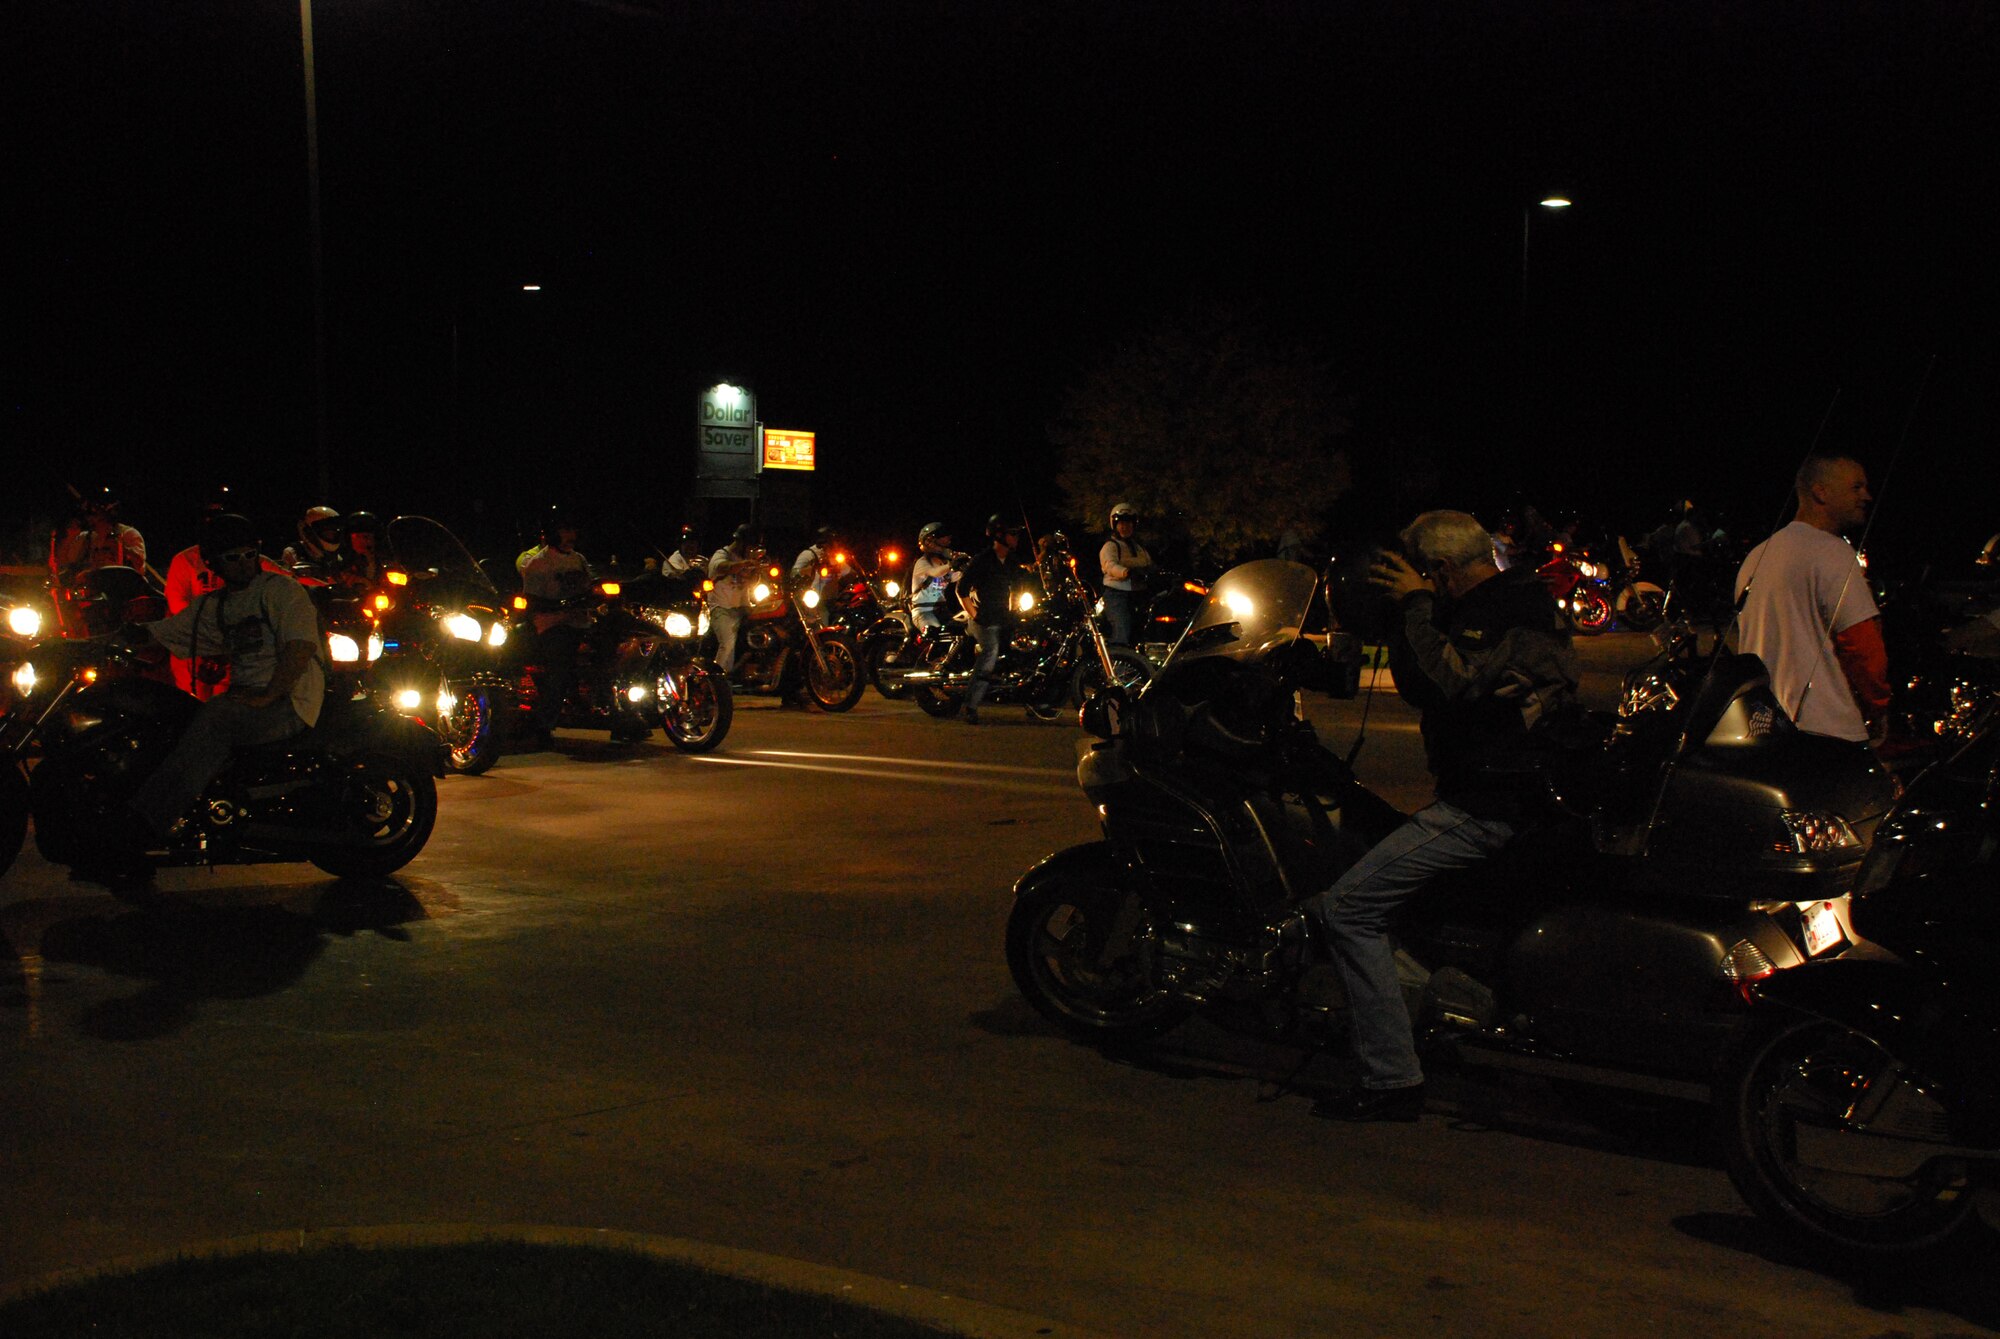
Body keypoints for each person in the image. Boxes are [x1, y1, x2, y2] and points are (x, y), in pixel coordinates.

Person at [1308, 510, 1578, 1121]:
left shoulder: (1490, 612)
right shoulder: (1524, 599)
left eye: (1419, 573)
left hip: (1487, 803)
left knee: (1348, 908)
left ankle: (1390, 1078)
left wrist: (1414, 606)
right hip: (1519, 795)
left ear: (1442, 570)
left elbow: (1452, 679)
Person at [95, 514, 325, 883]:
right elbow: (168, 631)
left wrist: (269, 695)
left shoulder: (280, 591)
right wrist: (110, 639)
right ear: (214, 563)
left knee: (216, 718)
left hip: (291, 701)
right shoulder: (215, 605)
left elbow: (300, 647)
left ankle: (141, 828)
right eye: (233, 557)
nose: (244, 563)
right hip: (246, 699)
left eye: (250, 554)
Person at [1733, 455, 1890, 743]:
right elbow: (1861, 644)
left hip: (1763, 723)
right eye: (1856, 487)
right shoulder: (1831, 552)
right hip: (1826, 729)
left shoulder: (1756, 556)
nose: (1866, 496)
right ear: (1821, 492)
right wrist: (1879, 707)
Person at [163, 500, 288, 698]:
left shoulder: (248, 558)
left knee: (230, 698)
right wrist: (208, 630)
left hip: (234, 645)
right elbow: (177, 603)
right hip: (196, 645)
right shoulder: (185, 560)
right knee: (192, 700)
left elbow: (284, 579)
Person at [516, 507, 595, 748]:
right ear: (553, 533)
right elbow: (531, 602)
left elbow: (589, 587)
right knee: (560, 668)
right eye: (565, 530)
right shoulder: (538, 564)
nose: (570, 535)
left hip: (579, 621)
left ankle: (621, 712)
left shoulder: (578, 559)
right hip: (552, 625)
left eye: (572, 530)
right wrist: (562, 608)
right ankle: (544, 725)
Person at [958, 515, 1025, 725]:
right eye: (1013, 533)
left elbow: (1019, 585)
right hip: (983, 619)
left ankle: (1031, 699)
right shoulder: (983, 560)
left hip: (1003, 616)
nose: (1016, 538)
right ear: (999, 535)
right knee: (991, 651)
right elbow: (961, 589)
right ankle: (971, 705)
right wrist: (975, 615)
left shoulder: (1012, 561)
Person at [51, 488, 146, 581]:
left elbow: (139, 563)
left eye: (92, 513)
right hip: (97, 590)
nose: (88, 518)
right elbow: (64, 561)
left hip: (125, 589)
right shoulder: (86, 538)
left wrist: (121, 548)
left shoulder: (128, 534)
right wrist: (69, 538)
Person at [706, 523, 761, 675]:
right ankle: (718, 678)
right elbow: (720, 567)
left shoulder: (748, 558)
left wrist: (755, 571)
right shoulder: (722, 554)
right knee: (727, 643)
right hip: (722, 607)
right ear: (742, 543)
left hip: (742, 607)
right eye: (750, 546)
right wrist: (744, 564)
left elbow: (752, 582)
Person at [1098, 502, 1152, 647]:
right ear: (1114, 525)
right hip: (1117, 594)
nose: (1125, 527)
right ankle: (1118, 665)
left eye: (1128, 523)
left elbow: (1148, 563)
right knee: (1121, 627)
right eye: (1121, 523)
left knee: (1143, 628)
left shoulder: (1138, 547)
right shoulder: (1111, 545)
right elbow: (1109, 564)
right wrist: (1125, 572)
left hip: (1138, 593)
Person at [909, 522, 961, 631]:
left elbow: (955, 576)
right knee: (936, 633)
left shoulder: (943, 564)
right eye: (942, 536)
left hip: (942, 611)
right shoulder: (922, 562)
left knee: (961, 630)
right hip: (924, 612)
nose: (947, 539)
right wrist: (951, 565)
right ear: (930, 541)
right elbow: (935, 573)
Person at [281, 505, 344, 576]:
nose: (331, 536)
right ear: (309, 532)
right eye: (327, 533)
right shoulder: (294, 553)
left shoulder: (336, 558)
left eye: (333, 534)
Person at [330, 511, 386, 590]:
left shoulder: (384, 562)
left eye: (367, 537)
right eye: (358, 537)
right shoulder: (340, 563)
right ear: (349, 539)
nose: (364, 541)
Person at [792, 525, 846, 604]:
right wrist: (810, 570)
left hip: (836, 598)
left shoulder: (835, 556)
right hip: (817, 601)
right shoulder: (809, 554)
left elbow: (849, 573)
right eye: (830, 540)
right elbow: (794, 573)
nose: (835, 543)